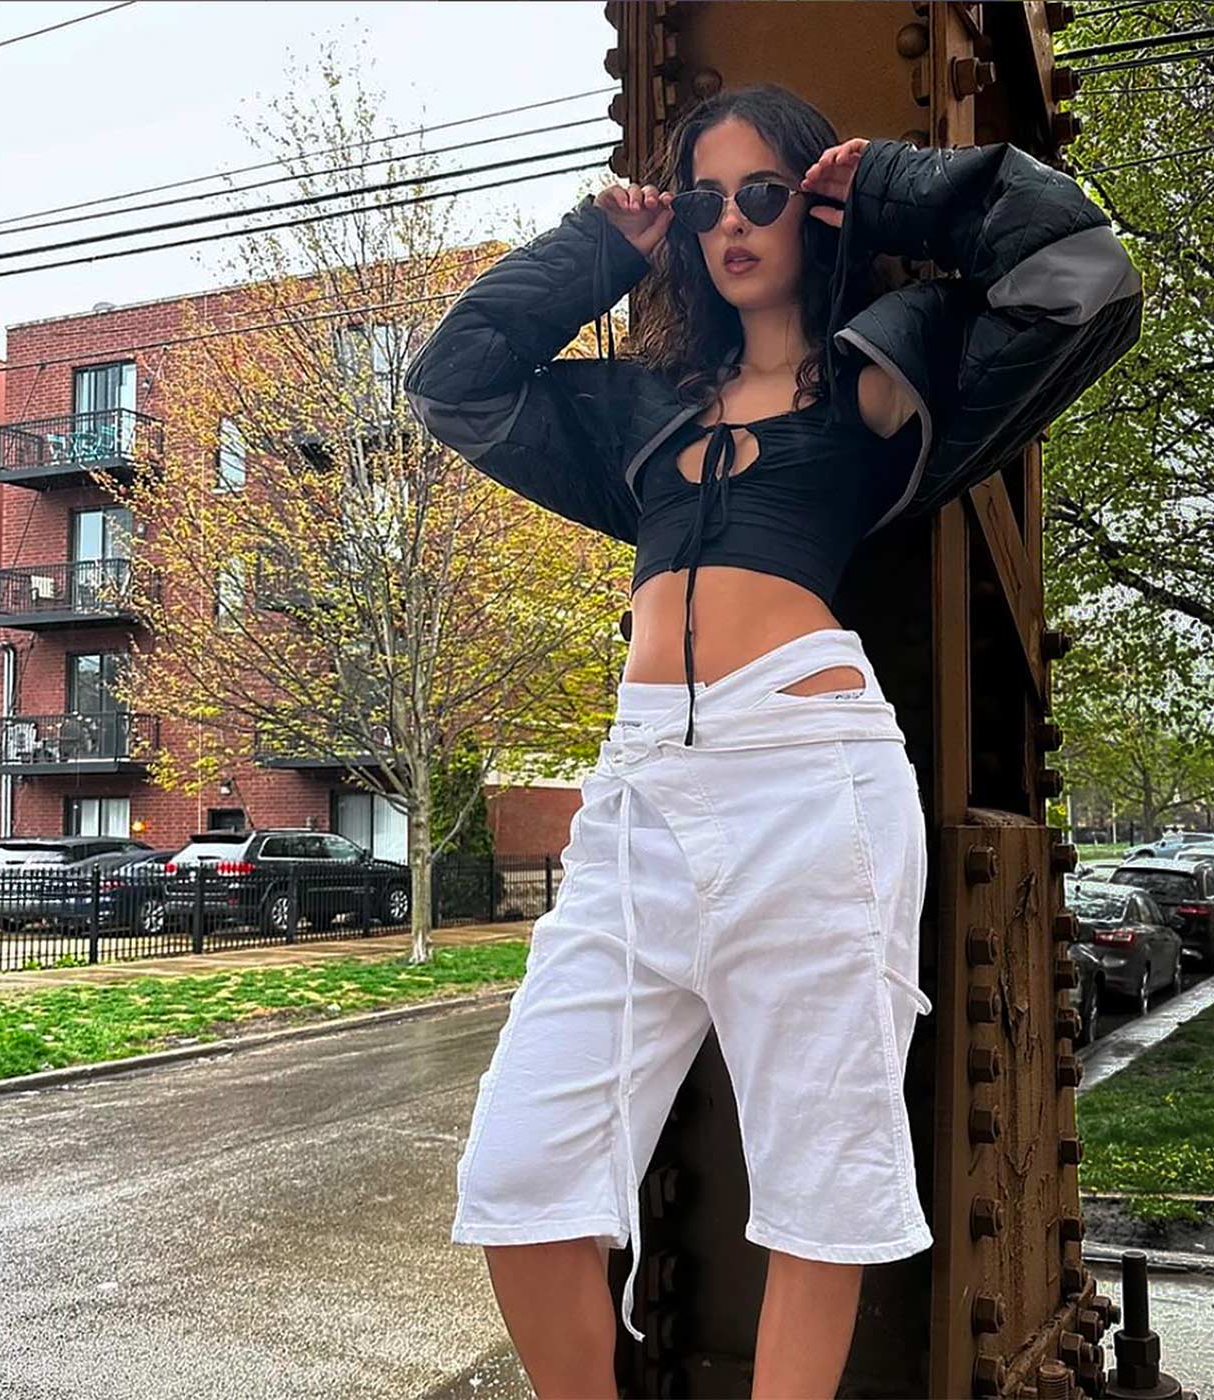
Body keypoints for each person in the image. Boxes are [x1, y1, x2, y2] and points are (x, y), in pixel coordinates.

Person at [405, 82, 1142, 1399]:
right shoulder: (643, 412)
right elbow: (452, 382)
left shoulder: (877, 368)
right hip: (638, 796)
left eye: (762, 193)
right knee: (520, 1176)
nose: (733, 222)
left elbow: (1081, 272)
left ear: (807, 204)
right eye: (706, 201)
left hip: (811, 788)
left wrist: (908, 187)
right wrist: (596, 248)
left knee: (822, 1183)